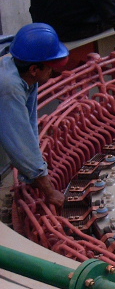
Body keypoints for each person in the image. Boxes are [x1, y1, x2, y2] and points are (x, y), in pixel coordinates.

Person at [0, 24, 68, 208]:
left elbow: (28, 123)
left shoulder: (24, 66)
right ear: (34, 69)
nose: (54, 73)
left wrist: (37, 167)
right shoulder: (9, 86)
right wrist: (49, 190)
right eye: (51, 69)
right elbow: (19, 140)